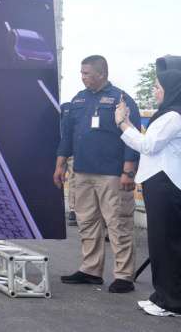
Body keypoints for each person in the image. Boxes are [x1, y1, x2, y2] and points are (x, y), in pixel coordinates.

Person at [54, 55, 141, 292]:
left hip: (112, 174)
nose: (82, 77)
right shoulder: (78, 99)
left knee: (118, 223)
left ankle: (124, 276)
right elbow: (68, 136)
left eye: (87, 73)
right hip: (82, 172)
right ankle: (91, 270)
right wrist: (60, 165)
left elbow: (133, 136)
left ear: (102, 73)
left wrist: (128, 171)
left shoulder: (121, 99)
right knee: (87, 222)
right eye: (81, 73)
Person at [116, 56, 181, 317]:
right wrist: (128, 123)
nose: (154, 91)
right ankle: (162, 296)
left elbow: (148, 145)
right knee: (161, 244)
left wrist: (122, 123)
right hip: (160, 183)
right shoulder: (168, 114)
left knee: (166, 244)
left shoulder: (173, 116)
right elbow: (149, 142)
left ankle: (171, 302)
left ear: (171, 89)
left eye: (157, 87)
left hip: (166, 184)